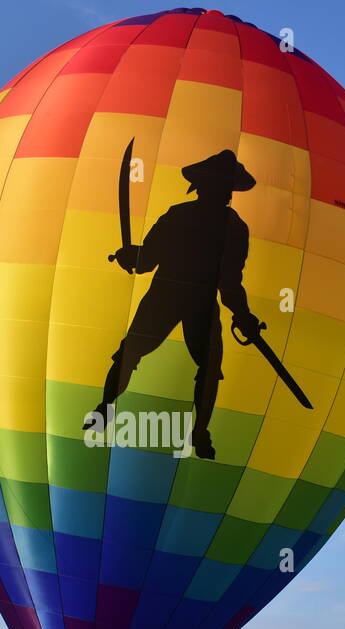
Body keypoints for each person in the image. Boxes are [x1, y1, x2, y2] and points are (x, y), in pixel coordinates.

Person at [91, 150, 261, 460]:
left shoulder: (211, 222)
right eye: (219, 186)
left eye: (226, 188)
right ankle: (106, 408)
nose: (223, 194)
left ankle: (199, 430)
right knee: (134, 353)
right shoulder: (198, 219)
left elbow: (227, 281)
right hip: (173, 297)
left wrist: (244, 314)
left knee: (204, 367)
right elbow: (150, 260)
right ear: (205, 186)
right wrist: (133, 256)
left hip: (184, 299)